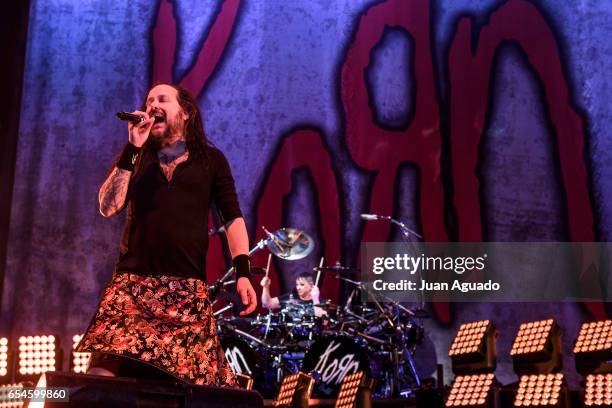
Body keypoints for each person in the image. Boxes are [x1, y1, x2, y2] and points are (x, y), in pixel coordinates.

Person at [76, 83, 256, 386]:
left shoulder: (211, 161)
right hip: (133, 290)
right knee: (101, 378)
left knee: (195, 385)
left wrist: (243, 273)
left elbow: (233, 219)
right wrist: (133, 148)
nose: (152, 104)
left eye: (162, 99)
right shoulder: (138, 157)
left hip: (186, 293)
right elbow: (108, 207)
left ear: (185, 112)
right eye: (148, 100)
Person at [260, 272, 326, 317]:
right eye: (297, 284)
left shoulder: (320, 301)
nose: (298, 287)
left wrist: (315, 299)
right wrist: (266, 287)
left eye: (302, 285)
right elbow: (267, 304)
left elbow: (324, 322)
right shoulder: (290, 297)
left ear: (311, 286)